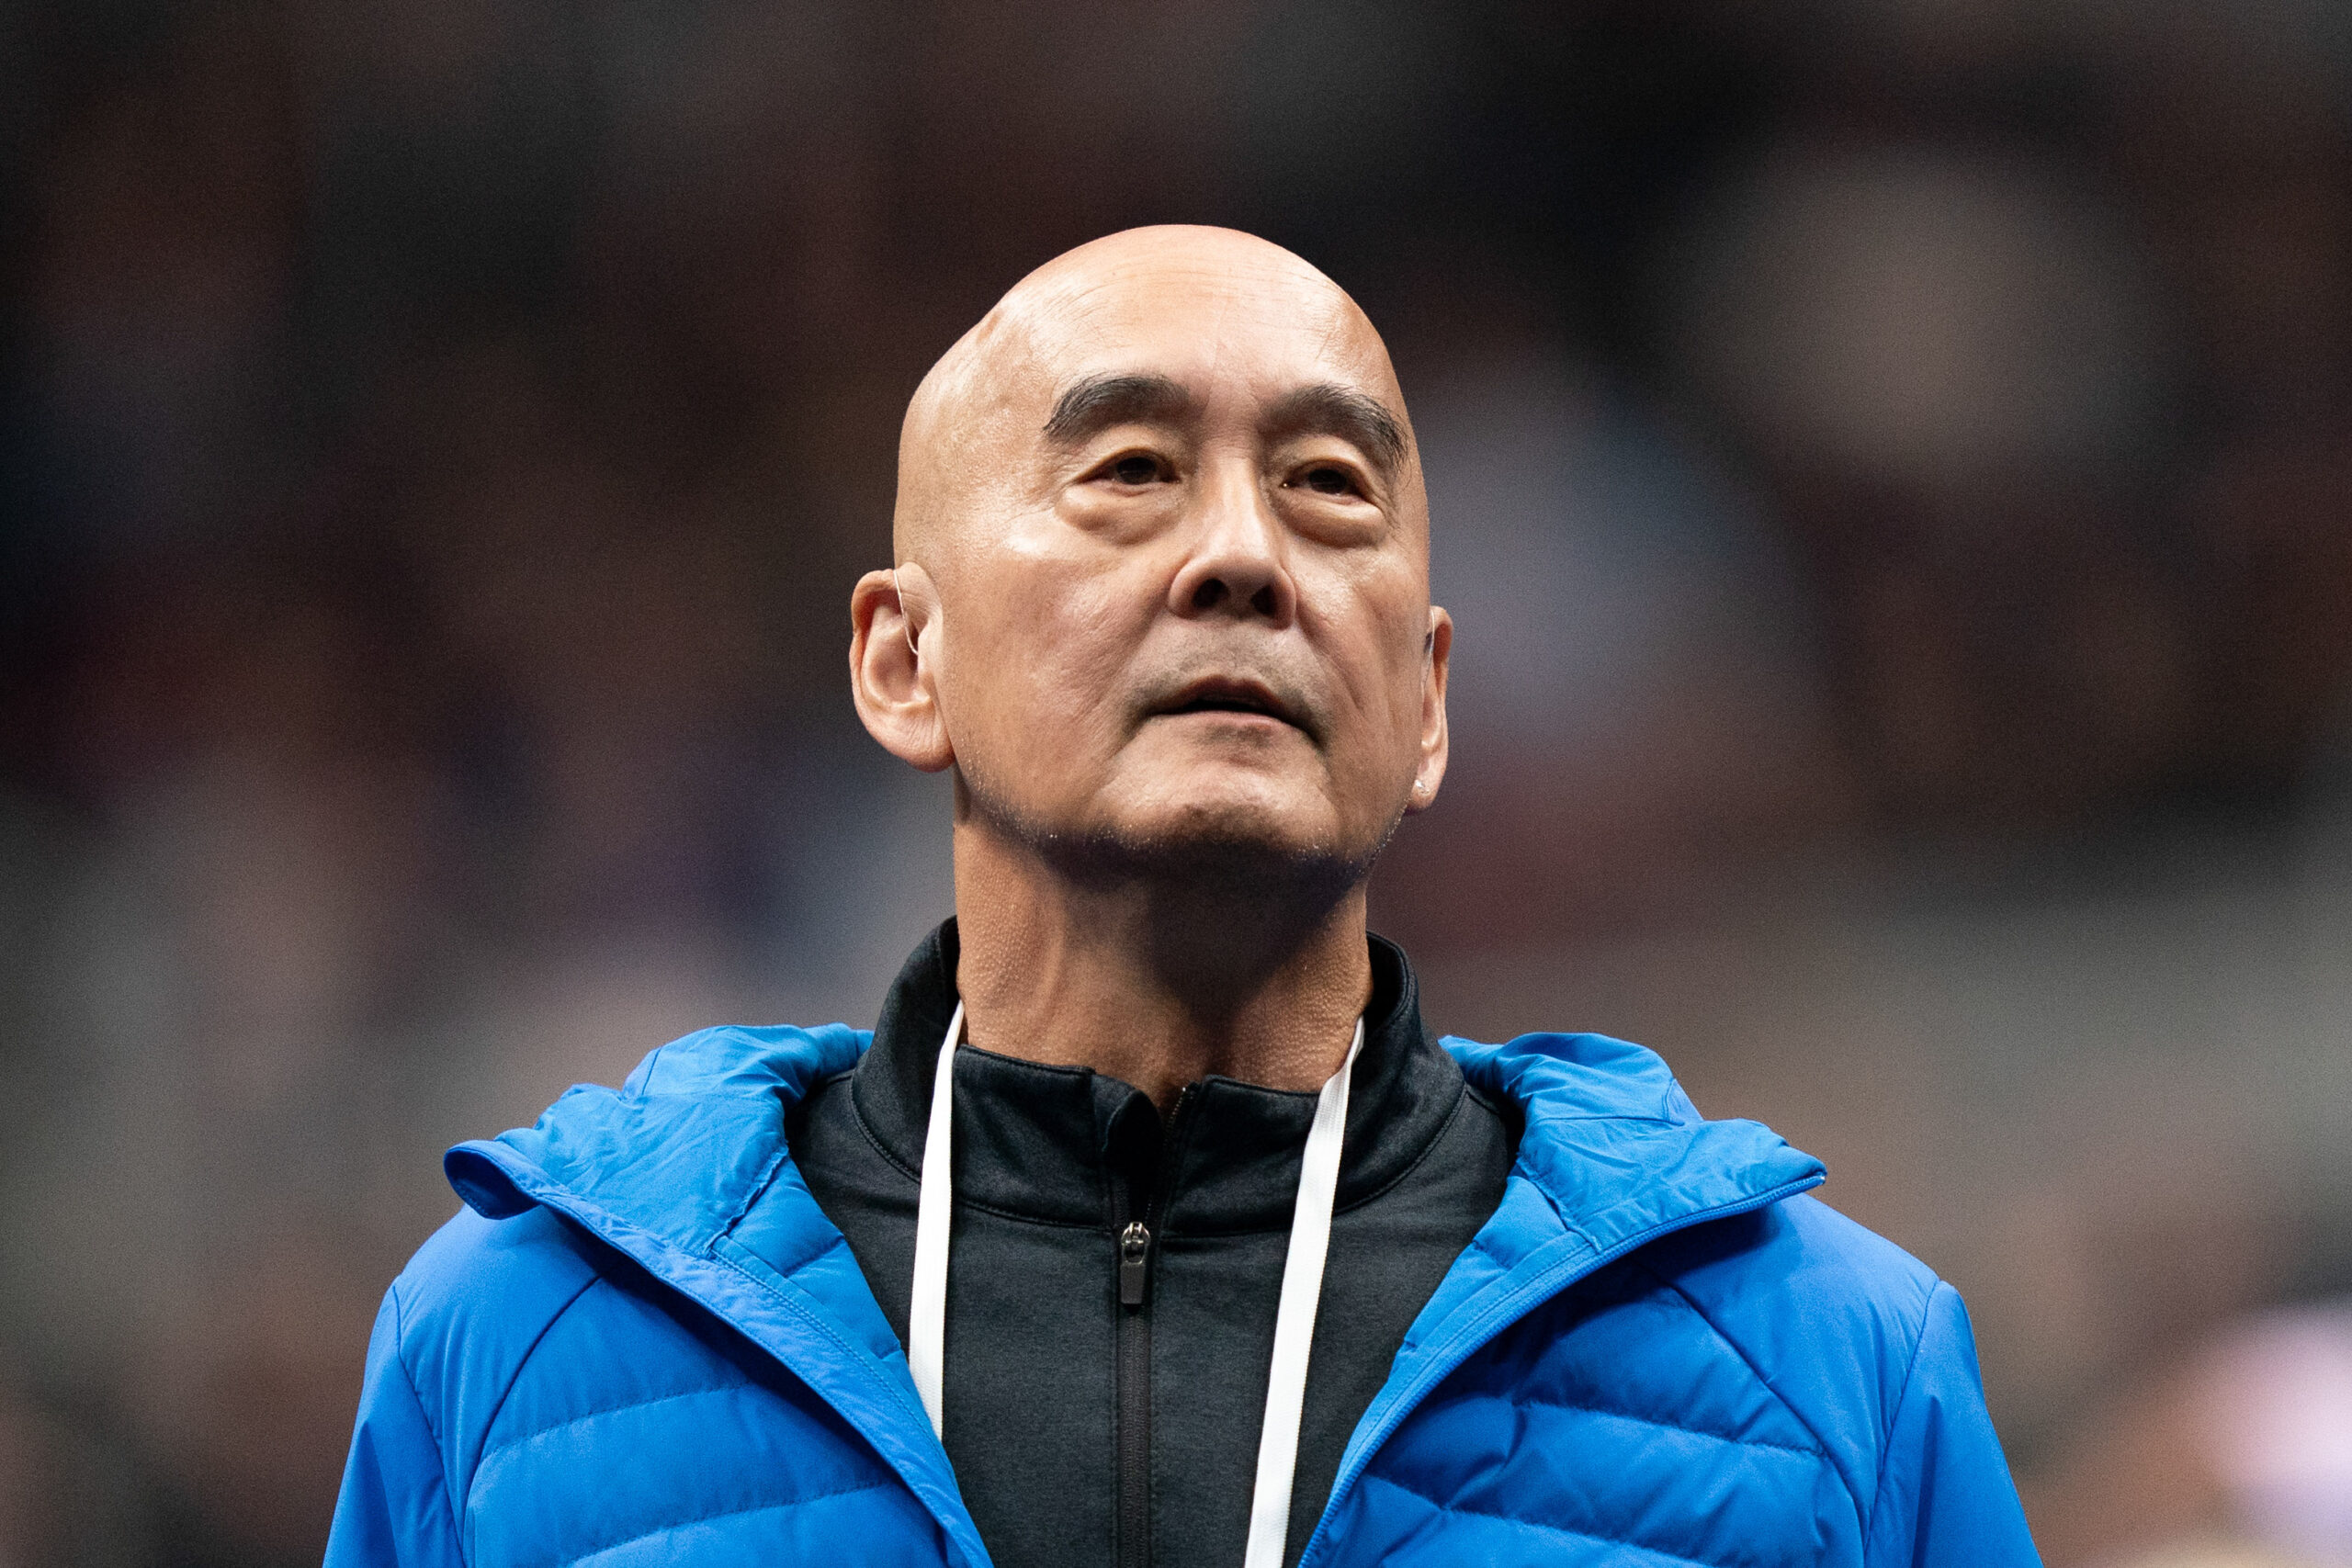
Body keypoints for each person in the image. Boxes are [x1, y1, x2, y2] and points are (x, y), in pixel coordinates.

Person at [325, 226, 2041, 1567]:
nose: (1242, 554)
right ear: (901, 659)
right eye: (1131, 472)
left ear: (1429, 701)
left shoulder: (1827, 1366)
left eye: (1330, 488)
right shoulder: (512, 1349)